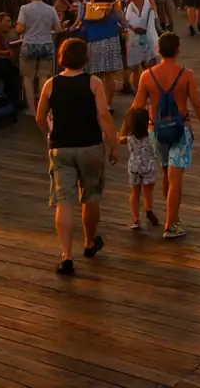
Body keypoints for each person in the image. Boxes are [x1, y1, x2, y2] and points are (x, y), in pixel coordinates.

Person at [35, 37, 118, 273]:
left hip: (61, 147)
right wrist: (113, 143)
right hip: (90, 145)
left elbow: (40, 117)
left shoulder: (51, 84)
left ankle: (66, 256)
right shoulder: (93, 83)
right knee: (90, 195)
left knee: (64, 202)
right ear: (85, 58)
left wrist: (48, 134)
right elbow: (103, 115)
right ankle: (89, 242)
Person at [129, 32, 200, 239]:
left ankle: (171, 217)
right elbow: (197, 103)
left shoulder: (147, 76)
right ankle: (171, 224)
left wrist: (126, 133)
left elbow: (138, 106)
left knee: (166, 172)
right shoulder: (186, 75)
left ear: (158, 50)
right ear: (177, 51)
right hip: (181, 129)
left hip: (155, 130)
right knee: (176, 178)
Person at [17, 0, 59, 113]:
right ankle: (44, 107)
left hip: (29, 44)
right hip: (46, 43)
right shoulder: (51, 9)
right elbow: (58, 28)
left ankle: (32, 109)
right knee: (44, 76)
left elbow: (20, 28)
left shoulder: (25, 9)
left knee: (28, 77)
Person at [80, 0, 126, 104]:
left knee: (96, 76)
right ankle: (108, 104)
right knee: (109, 75)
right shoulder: (113, 7)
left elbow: (82, 22)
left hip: (94, 41)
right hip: (111, 40)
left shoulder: (88, 7)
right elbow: (122, 21)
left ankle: (98, 102)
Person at [122, 108, 159, 231]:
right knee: (148, 191)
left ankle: (135, 219)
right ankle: (148, 208)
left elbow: (119, 139)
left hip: (134, 167)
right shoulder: (151, 137)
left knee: (135, 193)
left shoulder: (130, 139)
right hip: (148, 166)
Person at [122, 0, 159, 94]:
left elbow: (155, 19)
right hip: (134, 40)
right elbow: (128, 23)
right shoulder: (129, 7)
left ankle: (149, 90)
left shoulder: (149, 4)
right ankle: (140, 91)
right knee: (135, 68)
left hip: (150, 38)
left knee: (150, 67)